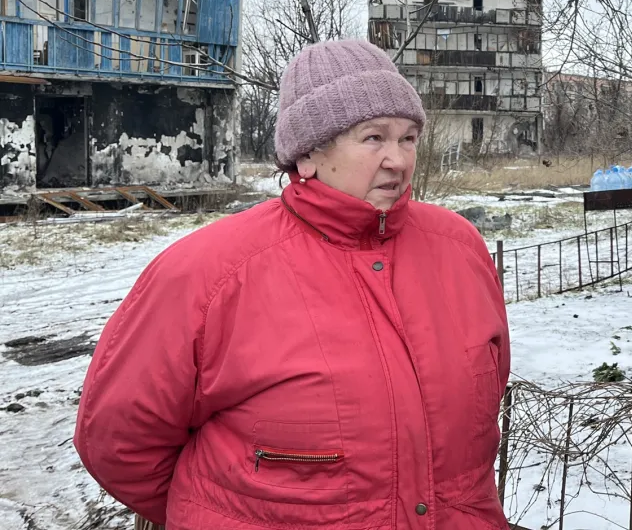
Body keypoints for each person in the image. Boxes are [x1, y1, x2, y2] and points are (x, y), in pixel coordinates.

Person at [74, 39, 510, 530]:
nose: (399, 160)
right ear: (306, 156)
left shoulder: (459, 248)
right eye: (373, 138)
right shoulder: (208, 273)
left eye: (408, 137)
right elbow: (118, 442)